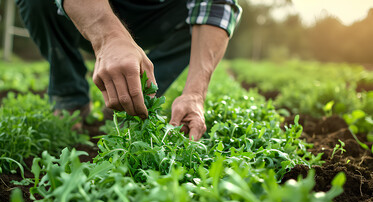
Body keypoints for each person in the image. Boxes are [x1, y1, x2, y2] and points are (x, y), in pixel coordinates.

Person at [16, 0, 241, 141]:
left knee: (207, 24)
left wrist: (195, 93)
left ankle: (135, 97)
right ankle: (69, 98)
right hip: (84, 11)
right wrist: (109, 36)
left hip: (160, 15)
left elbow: (216, 6)